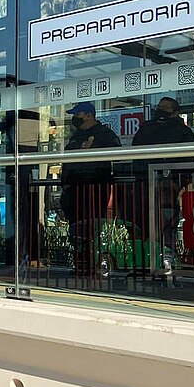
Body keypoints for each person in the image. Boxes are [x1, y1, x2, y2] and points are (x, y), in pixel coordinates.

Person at [131, 96, 194, 270]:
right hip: (144, 183)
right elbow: (135, 152)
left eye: (166, 107)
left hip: (169, 185)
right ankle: (144, 263)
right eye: (159, 106)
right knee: (143, 224)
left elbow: (190, 161)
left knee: (166, 226)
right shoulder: (146, 128)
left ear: (175, 112)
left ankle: (166, 263)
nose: (161, 110)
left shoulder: (183, 132)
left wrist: (182, 184)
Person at [59, 102, 121, 277]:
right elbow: (67, 160)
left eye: (77, 114)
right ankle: (80, 264)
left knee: (92, 226)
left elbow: (117, 156)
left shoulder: (106, 135)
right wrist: (65, 184)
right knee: (76, 228)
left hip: (95, 185)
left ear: (88, 115)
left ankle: (93, 264)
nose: (74, 118)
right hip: (74, 188)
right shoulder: (75, 137)